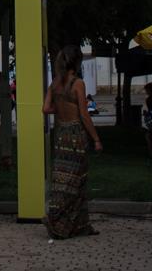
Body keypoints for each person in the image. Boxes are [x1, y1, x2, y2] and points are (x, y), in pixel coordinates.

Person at [42, 45, 101, 239]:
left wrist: (61, 108)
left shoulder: (55, 83)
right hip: (76, 134)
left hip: (61, 134)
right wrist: (96, 139)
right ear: (77, 63)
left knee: (62, 179)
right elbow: (84, 115)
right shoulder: (78, 84)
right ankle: (58, 220)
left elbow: (45, 108)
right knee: (77, 181)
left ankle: (78, 225)